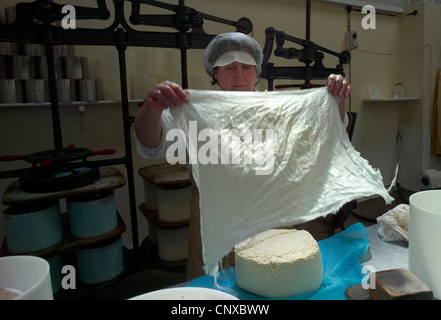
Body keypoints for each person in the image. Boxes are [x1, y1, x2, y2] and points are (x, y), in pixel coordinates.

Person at [134, 32, 351, 280]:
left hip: (273, 228)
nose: (239, 75)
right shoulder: (195, 112)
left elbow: (329, 129)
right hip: (218, 234)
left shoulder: (278, 109)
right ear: (215, 72)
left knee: (275, 287)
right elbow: (151, 143)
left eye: (246, 67)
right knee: (217, 296)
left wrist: (336, 99)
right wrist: (152, 108)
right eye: (230, 68)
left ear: (256, 72)